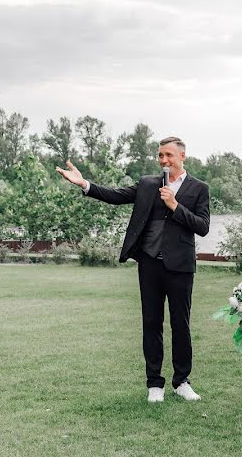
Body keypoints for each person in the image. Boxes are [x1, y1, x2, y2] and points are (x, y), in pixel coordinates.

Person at [56, 137, 210, 404]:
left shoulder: (199, 188)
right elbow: (116, 196)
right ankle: (154, 384)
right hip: (149, 263)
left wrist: (175, 205)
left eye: (169, 155)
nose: (163, 160)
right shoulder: (148, 183)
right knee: (151, 323)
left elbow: (203, 226)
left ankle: (182, 382)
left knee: (180, 325)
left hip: (180, 267)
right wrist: (84, 184)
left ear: (182, 156)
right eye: (160, 155)